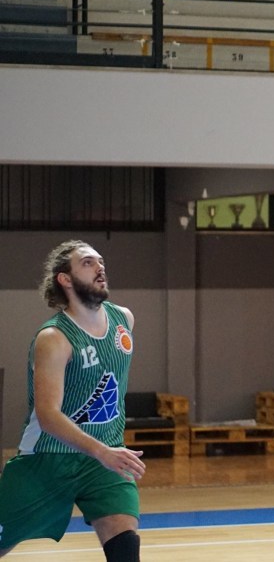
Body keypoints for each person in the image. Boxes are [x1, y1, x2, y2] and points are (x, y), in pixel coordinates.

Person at [0, 240, 146, 561]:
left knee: (124, 541)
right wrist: (102, 452)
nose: (100, 267)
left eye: (100, 261)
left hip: (105, 458)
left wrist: (105, 453)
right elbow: (48, 415)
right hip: (48, 459)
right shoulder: (54, 338)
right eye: (88, 263)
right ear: (64, 279)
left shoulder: (124, 320)